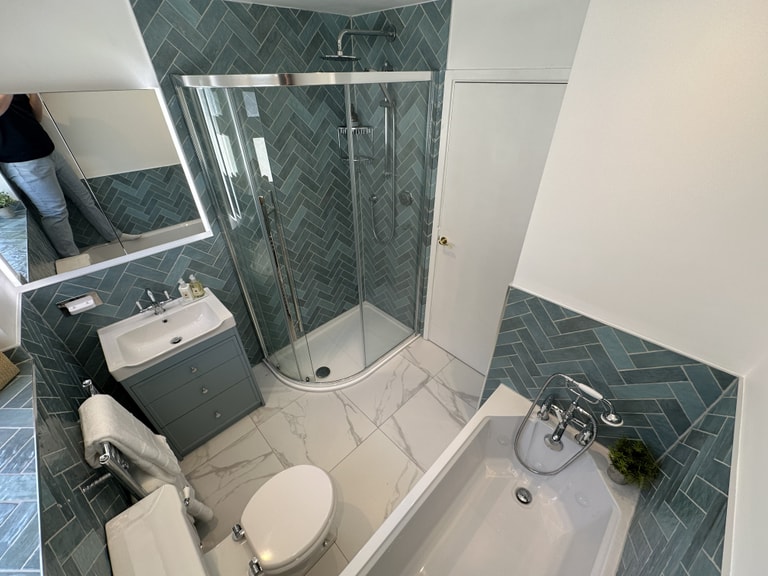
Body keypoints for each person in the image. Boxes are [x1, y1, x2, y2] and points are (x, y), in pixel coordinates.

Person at [0, 93, 139, 258]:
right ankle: (72, 259)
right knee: (55, 212)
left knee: (84, 198)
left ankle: (114, 236)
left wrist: (34, 93)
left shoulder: (13, 86)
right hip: (24, 163)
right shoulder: (9, 87)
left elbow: (36, 117)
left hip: (50, 152)